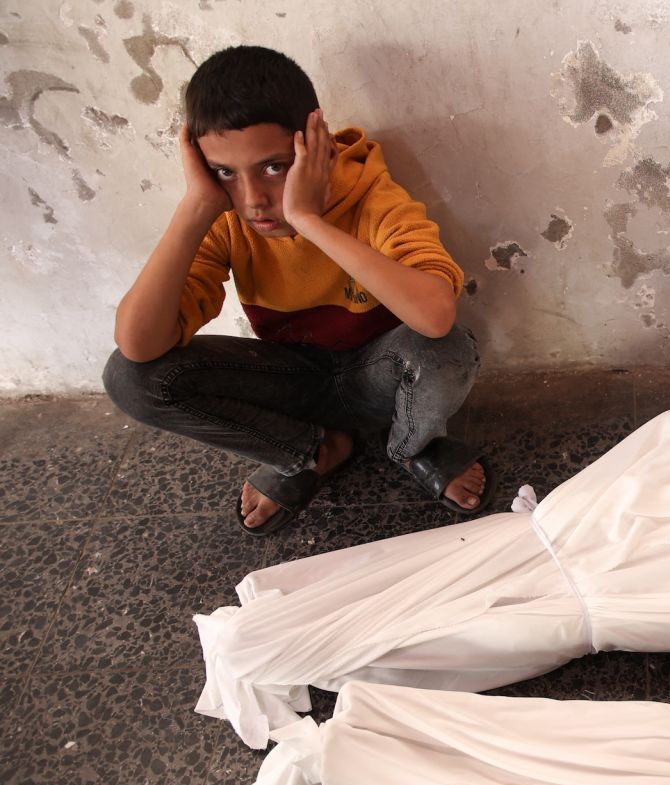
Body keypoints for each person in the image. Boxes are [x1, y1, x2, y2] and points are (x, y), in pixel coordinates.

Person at [103, 45, 492, 535]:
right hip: (295, 379)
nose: (254, 201)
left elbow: (435, 317)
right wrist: (196, 206)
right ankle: (316, 450)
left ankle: (414, 448)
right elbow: (138, 343)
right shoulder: (226, 214)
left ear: (318, 142)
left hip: (384, 377)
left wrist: (307, 220)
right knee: (129, 377)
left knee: (448, 350)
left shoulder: (371, 195)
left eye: (273, 166)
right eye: (225, 172)